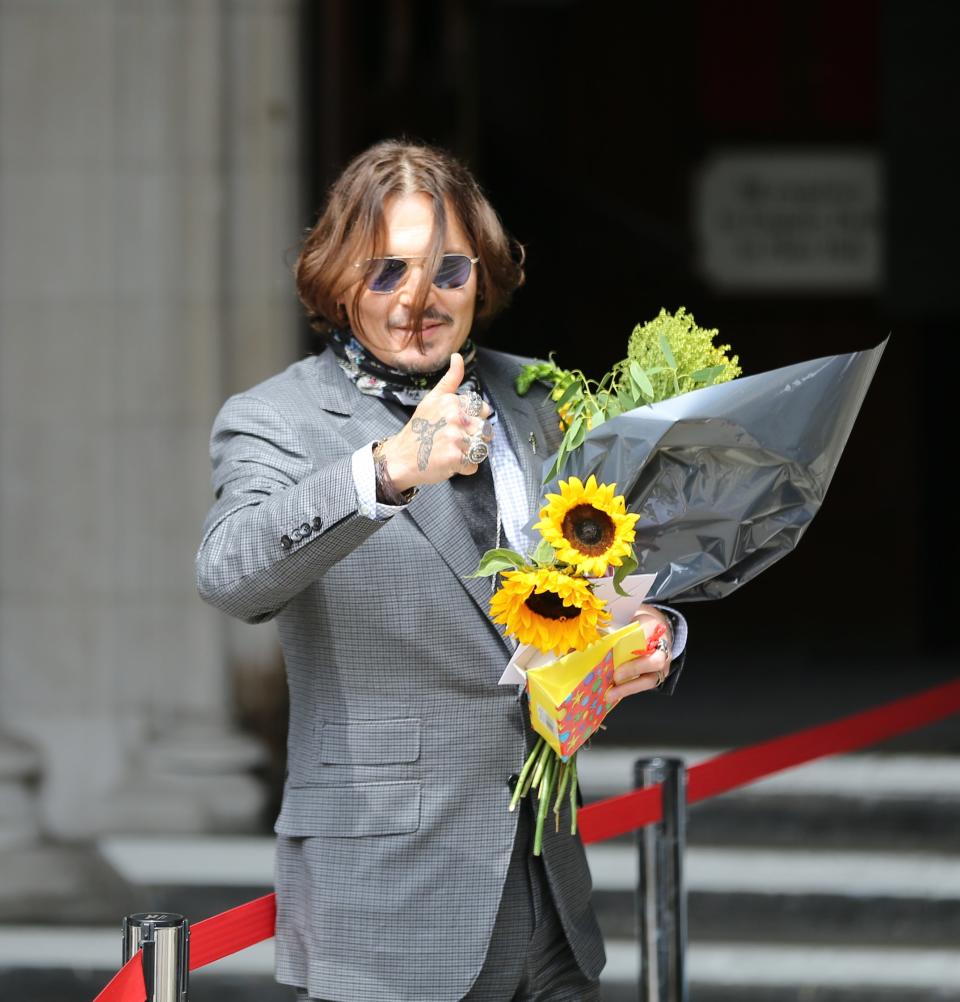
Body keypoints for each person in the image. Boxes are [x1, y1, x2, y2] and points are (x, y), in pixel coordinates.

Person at [196, 139, 687, 1002]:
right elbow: (230, 575)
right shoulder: (276, 418)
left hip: (550, 902)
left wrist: (654, 634)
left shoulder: (542, 398)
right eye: (387, 272)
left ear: (484, 275)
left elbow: (617, 564)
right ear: (338, 277)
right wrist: (384, 470)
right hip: (387, 899)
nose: (418, 301)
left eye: (447, 271)